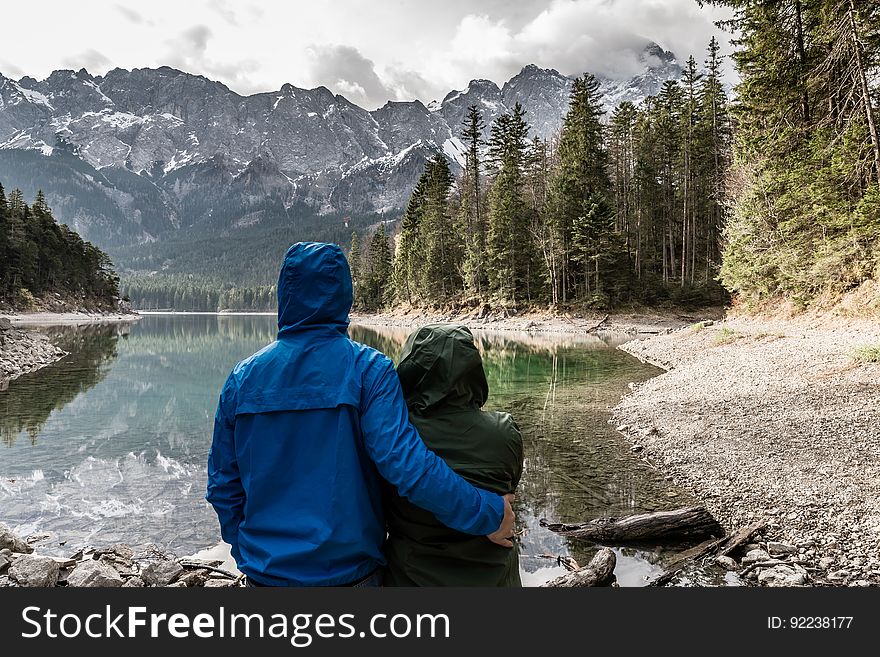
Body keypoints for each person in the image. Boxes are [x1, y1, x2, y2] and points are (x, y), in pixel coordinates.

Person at [206, 242, 514, 587]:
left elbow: (222, 487)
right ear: (344, 295)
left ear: (285, 294)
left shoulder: (241, 379)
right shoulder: (369, 370)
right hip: (351, 577)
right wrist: (488, 513)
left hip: (265, 578)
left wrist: (250, 548)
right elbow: (408, 468)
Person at [384, 324, 524, 587]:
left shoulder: (396, 438)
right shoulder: (505, 433)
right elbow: (510, 490)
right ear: (472, 370)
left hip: (411, 581)